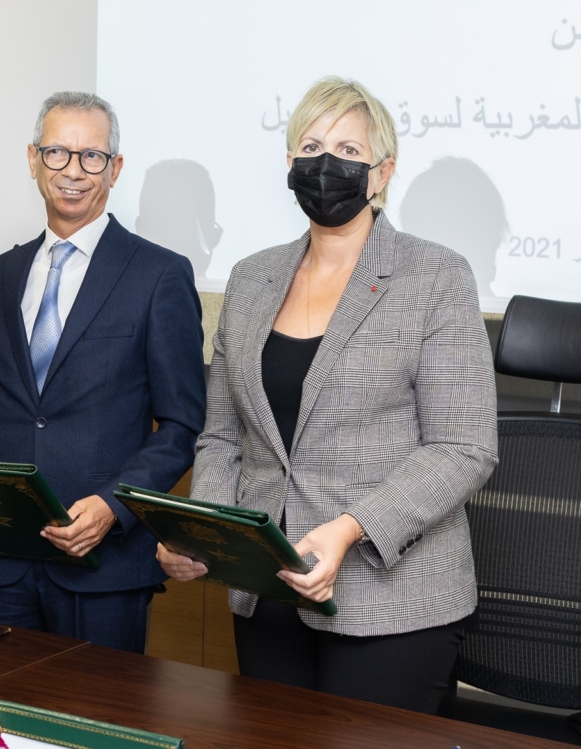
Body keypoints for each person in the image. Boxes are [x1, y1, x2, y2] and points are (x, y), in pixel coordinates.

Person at [158, 77, 498, 712]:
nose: (326, 164)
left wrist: (347, 530)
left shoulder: (436, 276)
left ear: (382, 172)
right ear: (290, 164)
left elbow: (463, 448)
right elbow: (224, 436)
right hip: (268, 589)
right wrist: (204, 532)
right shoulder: (251, 278)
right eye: (311, 148)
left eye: (347, 150)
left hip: (393, 601)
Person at [0, 91, 206, 653]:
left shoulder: (159, 275)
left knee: (95, 712)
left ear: (115, 168)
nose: (74, 171)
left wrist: (113, 505)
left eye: (92, 156)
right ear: (33, 159)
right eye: (57, 153)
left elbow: (181, 426)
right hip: (0, 563)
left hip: (103, 567)